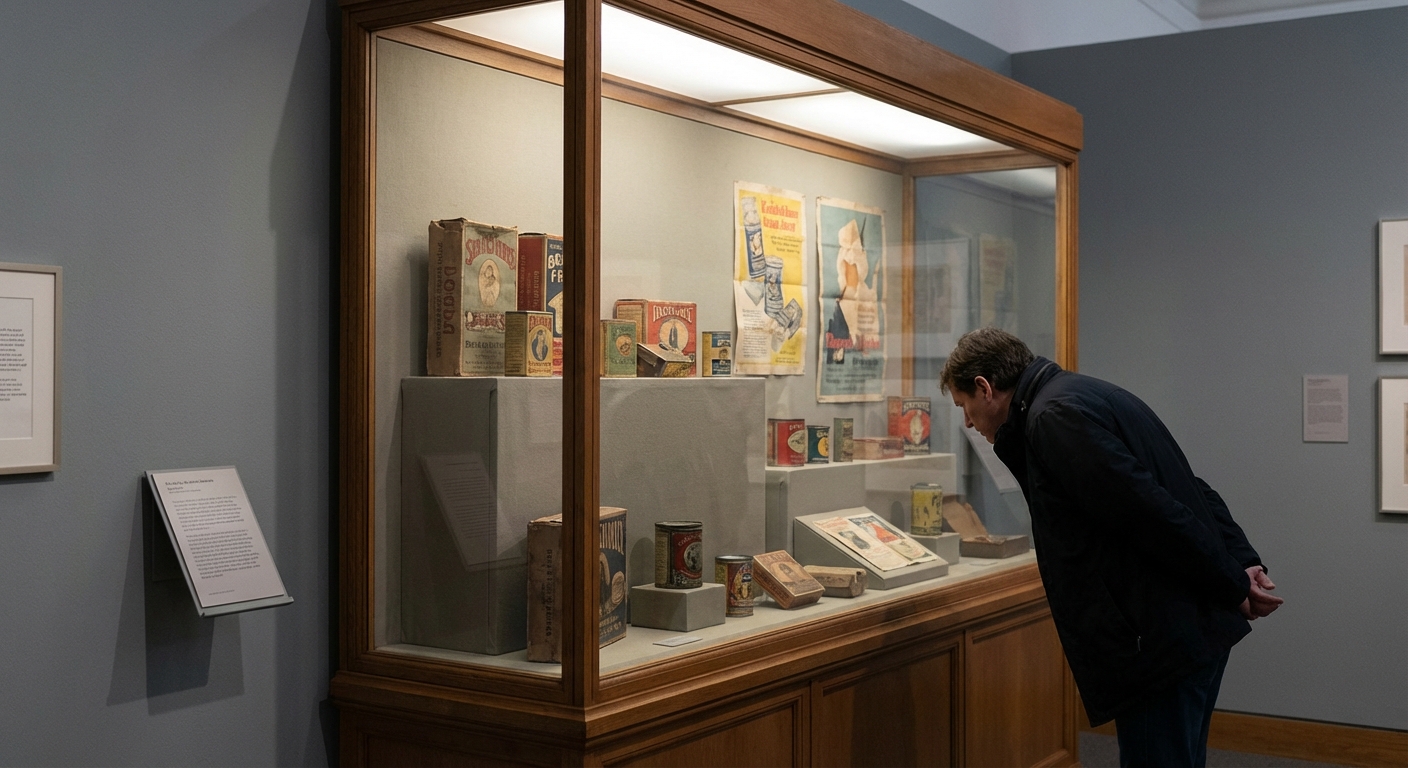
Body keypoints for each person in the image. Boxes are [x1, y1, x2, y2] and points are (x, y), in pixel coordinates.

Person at [939, 328, 1283, 768]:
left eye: (963, 407)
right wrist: (1240, 564)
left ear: (984, 389)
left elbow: (1150, 513)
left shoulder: (1053, 419)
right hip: (1185, 627)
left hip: (1156, 642)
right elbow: (1189, 486)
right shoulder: (1085, 393)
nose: (967, 422)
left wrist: (1234, 580)